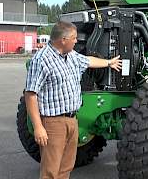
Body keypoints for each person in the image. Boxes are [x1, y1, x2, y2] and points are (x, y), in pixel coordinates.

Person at [25, 21, 122, 179]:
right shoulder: (42, 60)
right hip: (53, 124)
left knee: (66, 167)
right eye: (74, 38)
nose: (76, 41)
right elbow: (30, 95)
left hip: (72, 120)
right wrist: (38, 127)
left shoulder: (71, 56)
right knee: (51, 170)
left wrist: (109, 63)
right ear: (63, 40)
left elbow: (89, 61)